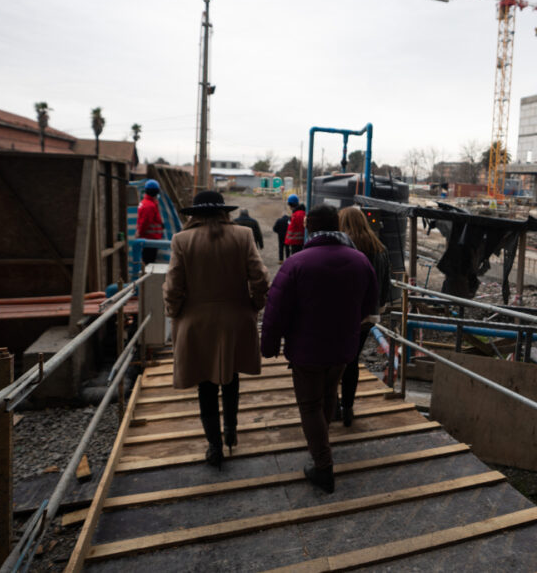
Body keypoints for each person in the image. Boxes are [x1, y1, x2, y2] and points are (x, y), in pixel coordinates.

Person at [261, 205, 378, 493]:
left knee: (310, 405)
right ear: (336, 225)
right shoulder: (360, 260)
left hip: (306, 349)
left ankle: (323, 466)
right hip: (342, 348)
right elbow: (369, 305)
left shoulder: (297, 263)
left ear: (309, 228)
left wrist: (269, 345)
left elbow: (276, 311)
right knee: (327, 396)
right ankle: (320, 446)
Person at [163, 190, 269, 470]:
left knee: (205, 385)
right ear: (224, 211)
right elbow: (260, 277)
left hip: (196, 323)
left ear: (194, 214)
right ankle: (231, 429)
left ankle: (214, 445)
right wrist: (254, 305)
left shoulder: (181, 240)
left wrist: (174, 312)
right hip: (236, 319)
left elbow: (174, 286)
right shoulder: (243, 235)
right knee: (231, 376)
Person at [337, 206, 393, 426]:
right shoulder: (380, 247)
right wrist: (379, 307)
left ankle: (334, 407)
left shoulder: (344, 248)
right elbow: (386, 283)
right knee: (352, 361)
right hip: (369, 316)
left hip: (344, 315)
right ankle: (348, 409)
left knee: (334, 361)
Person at [136, 179, 164, 266]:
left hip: (149, 238)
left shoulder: (147, 203)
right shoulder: (149, 205)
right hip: (150, 239)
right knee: (149, 263)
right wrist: (139, 233)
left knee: (148, 261)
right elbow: (145, 222)